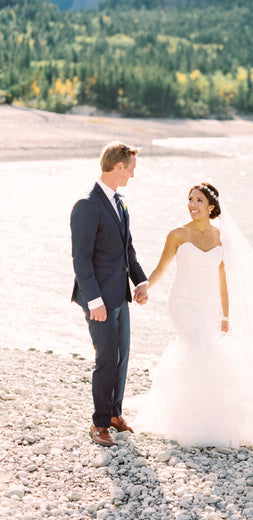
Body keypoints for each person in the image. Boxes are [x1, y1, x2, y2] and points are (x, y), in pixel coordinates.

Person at [127, 182, 253, 448]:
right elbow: (161, 268)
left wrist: (225, 315)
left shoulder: (220, 237)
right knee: (196, 346)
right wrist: (145, 286)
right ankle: (189, 420)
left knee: (206, 353)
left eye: (199, 200)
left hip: (208, 305)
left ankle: (209, 415)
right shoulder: (177, 234)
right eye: (190, 199)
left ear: (211, 206)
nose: (192, 205)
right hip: (182, 303)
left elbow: (223, 279)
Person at [70, 141, 148, 447]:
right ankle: (99, 423)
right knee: (107, 358)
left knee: (122, 355)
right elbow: (81, 259)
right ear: (119, 166)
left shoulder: (120, 202)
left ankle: (115, 414)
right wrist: (94, 302)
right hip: (98, 299)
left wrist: (140, 282)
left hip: (120, 295)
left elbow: (127, 248)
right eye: (131, 169)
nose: (132, 174)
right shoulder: (87, 205)